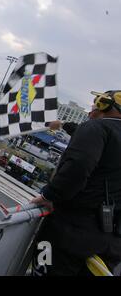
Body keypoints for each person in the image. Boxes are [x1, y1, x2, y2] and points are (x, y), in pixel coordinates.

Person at [31, 90, 121, 276]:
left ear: (105, 104)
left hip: (69, 233)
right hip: (109, 243)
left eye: (95, 103)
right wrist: (63, 124)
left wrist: (50, 195)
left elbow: (78, 167)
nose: (92, 109)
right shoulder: (106, 133)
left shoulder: (95, 128)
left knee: (42, 269)